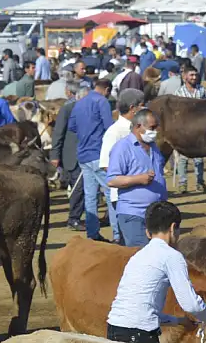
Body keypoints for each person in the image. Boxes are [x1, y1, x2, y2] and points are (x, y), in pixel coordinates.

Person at [105, 201, 206, 343]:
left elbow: (143, 309)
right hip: (140, 334)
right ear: (173, 228)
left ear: (147, 232)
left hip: (114, 329)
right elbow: (191, 305)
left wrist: (178, 321)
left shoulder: (138, 256)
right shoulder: (172, 256)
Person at [106, 109, 168, 247]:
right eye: (152, 127)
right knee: (141, 255)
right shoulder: (122, 147)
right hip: (134, 214)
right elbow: (111, 180)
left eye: (156, 127)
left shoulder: (154, 147)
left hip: (156, 214)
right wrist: (138, 179)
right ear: (138, 126)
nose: (155, 131)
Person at [68, 79, 114, 241]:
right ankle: (117, 233)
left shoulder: (79, 103)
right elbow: (109, 127)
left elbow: (71, 126)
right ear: (106, 90)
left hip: (83, 154)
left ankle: (93, 233)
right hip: (99, 154)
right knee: (111, 193)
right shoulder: (102, 102)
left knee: (90, 196)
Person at [98, 89, 145, 244]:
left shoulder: (139, 129)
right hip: (123, 197)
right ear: (133, 108)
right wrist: (135, 178)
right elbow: (106, 165)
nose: (144, 109)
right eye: (142, 106)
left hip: (141, 196)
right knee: (128, 243)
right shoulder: (115, 132)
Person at [51, 82, 86, 232]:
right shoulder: (67, 108)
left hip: (86, 153)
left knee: (82, 188)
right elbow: (58, 133)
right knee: (78, 187)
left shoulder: (88, 108)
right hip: (72, 154)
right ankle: (74, 219)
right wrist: (55, 155)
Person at [171, 67, 206, 195]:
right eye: (191, 75)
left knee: (199, 157)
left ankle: (200, 182)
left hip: (199, 129)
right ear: (185, 77)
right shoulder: (179, 93)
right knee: (182, 157)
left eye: (195, 75)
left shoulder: (202, 91)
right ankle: (182, 184)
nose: (194, 77)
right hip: (183, 130)